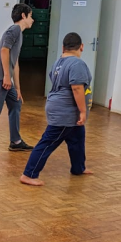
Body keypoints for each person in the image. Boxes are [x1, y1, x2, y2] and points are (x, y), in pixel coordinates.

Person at [20, 32, 93, 186]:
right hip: (64, 111)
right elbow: (77, 88)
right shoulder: (77, 64)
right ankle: (29, 174)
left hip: (59, 107)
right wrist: (83, 111)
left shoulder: (58, 62)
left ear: (63, 48)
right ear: (81, 47)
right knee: (48, 141)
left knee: (77, 137)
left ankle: (79, 167)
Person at [0, 3, 34, 157]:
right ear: (23, 16)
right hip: (0, 75)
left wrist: (18, 88)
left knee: (16, 102)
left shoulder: (19, 33)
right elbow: (4, 50)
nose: (32, 20)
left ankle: (16, 142)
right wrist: (5, 76)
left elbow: (14, 62)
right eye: (30, 16)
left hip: (5, 76)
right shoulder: (15, 29)